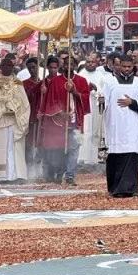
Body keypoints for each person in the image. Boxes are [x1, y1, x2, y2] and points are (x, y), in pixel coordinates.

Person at [102, 54, 138, 197]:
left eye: (129, 67)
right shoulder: (110, 82)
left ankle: (130, 189)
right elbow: (103, 101)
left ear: (133, 66)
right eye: (123, 66)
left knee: (130, 155)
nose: (126, 69)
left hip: (132, 124)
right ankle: (115, 189)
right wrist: (101, 101)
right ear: (118, 66)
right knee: (115, 155)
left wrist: (133, 103)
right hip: (115, 125)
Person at [36, 56, 90, 184]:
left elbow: (85, 97)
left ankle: (70, 175)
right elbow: (50, 101)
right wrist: (60, 112)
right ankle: (60, 173)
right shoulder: (55, 82)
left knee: (73, 148)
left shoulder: (81, 81)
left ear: (75, 66)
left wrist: (74, 92)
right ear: (63, 66)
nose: (68, 66)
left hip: (75, 120)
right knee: (59, 149)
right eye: (66, 64)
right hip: (59, 122)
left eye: (71, 64)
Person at [0, 54, 28, 183]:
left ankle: (11, 175)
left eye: (10, 66)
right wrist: (2, 106)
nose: (7, 68)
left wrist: (13, 107)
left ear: (13, 67)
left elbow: (24, 103)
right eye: (5, 65)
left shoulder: (17, 83)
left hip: (12, 121)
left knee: (10, 149)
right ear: (1, 67)